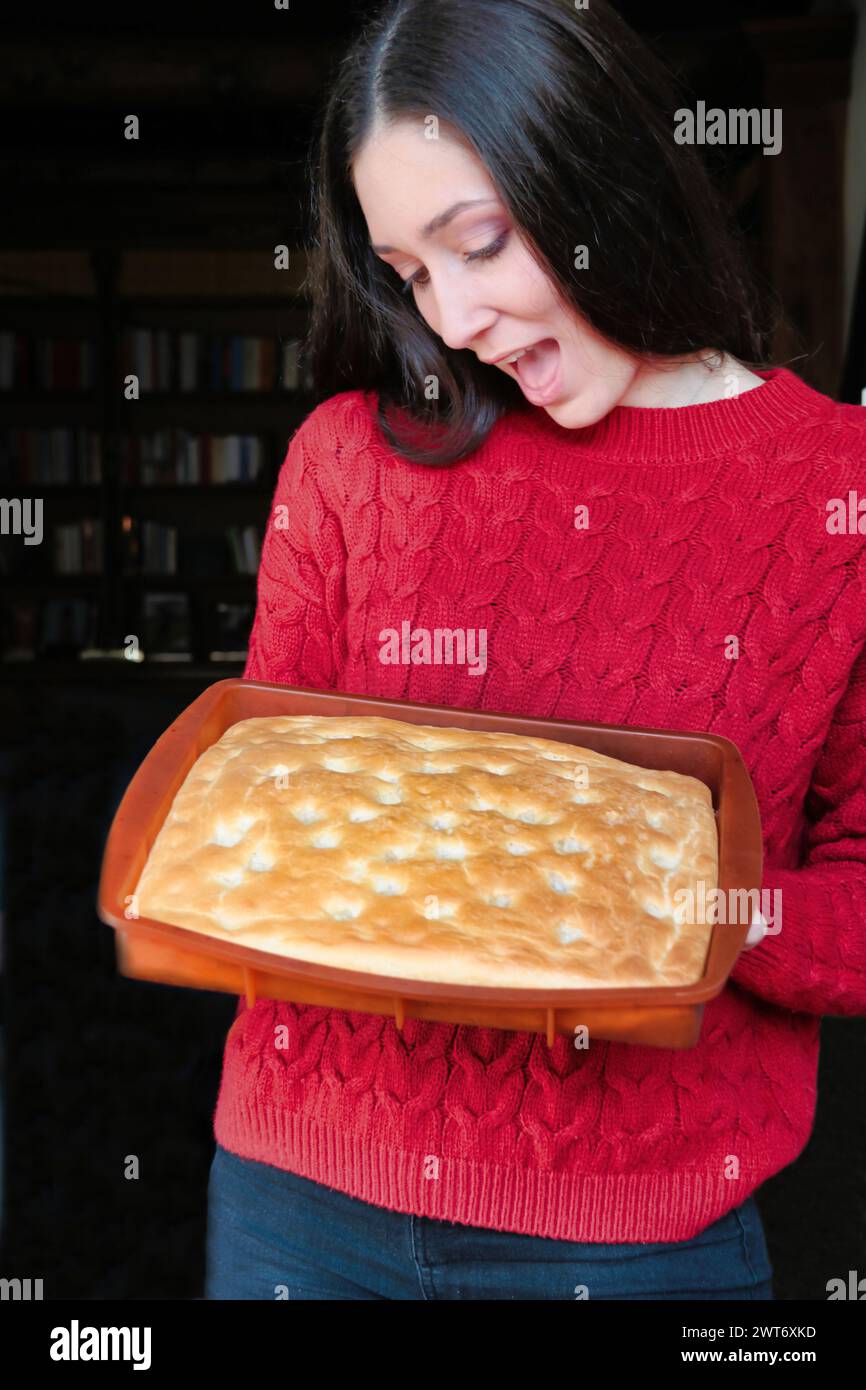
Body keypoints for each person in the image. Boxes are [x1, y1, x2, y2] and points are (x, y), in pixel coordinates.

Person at [204, 0, 866, 1300]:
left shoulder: (831, 491)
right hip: (298, 1200)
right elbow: (263, 809)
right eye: (406, 271)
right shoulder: (347, 463)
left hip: (637, 1235)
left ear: (600, 174)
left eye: (478, 244)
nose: (448, 318)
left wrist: (693, 912)